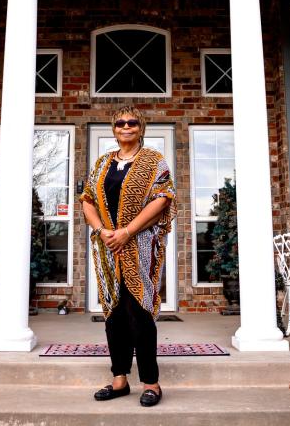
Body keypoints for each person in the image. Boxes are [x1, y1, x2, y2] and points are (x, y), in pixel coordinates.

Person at [81, 105, 176, 408]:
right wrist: (102, 231)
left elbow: (162, 199)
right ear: (114, 128)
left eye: (132, 122)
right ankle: (119, 379)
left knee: (140, 313)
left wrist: (126, 231)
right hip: (108, 249)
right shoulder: (103, 163)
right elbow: (87, 200)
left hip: (141, 247)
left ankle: (151, 382)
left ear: (140, 127)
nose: (126, 127)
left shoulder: (152, 161)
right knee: (114, 314)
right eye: (120, 123)